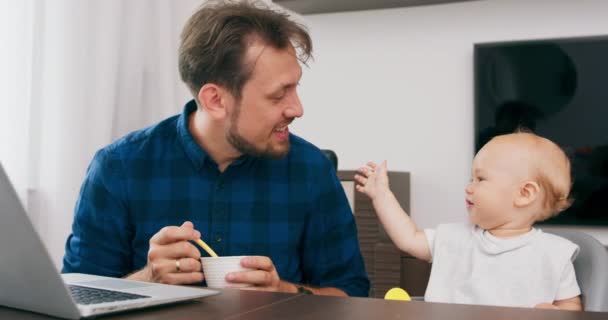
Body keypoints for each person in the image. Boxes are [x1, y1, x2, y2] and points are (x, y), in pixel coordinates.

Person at [62, 0, 369, 297]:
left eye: (295, 88)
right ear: (215, 100)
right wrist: (148, 279)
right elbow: (77, 298)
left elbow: (352, 295)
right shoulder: (119, 168)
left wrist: (284, 292)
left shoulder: (312, 171)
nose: (297, 109)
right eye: (278, 95)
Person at [355, 132, 582, 310]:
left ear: (524, 194)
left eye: (480, 178)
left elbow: (571, 306)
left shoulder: (554, 254)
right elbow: (408, 239)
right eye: (470, 178)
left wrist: (555, 313)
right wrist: (382, 196)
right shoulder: (454, 238)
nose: (468, 187)